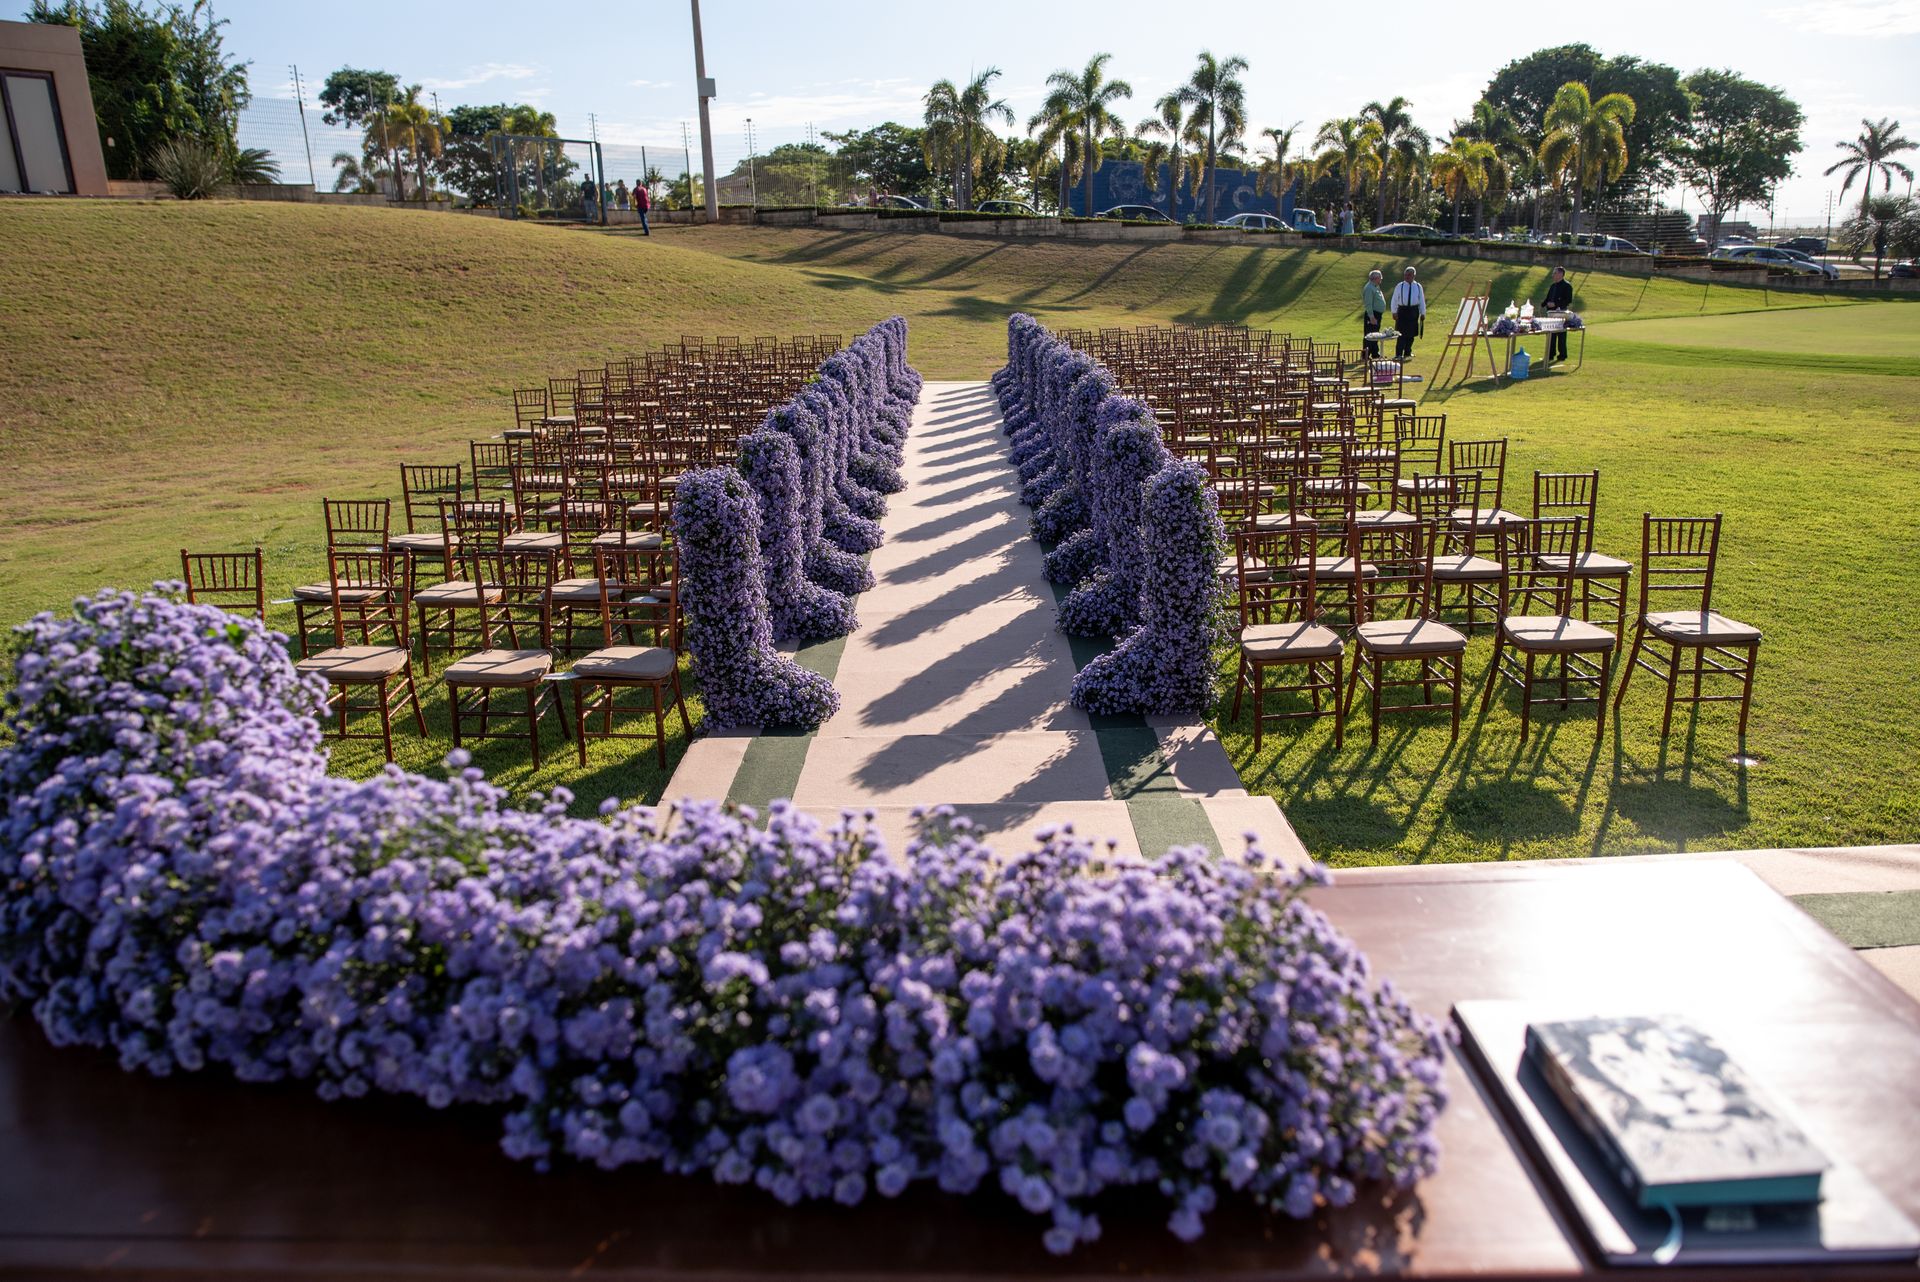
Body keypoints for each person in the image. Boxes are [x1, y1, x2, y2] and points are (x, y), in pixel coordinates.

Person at [1389, 266, 1426, 361]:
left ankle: (1408, 352)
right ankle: (1398, 354)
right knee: (1401, 334)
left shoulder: (1418, 286)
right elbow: (1394, 299)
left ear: (1414, 276)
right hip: (1402, 311)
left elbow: (1421, 300)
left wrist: (1423, 313)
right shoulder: (1400, 286)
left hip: (1413, 311)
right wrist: (1394, 311)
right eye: (1406, 274)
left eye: (1409, 275)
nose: (1407, 276)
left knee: (1411, 334)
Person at [1539, 266, 1573, 362]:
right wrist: (1543, 304)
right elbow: (1548, 298)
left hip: (1561, 313)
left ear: (1561, 274)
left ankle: (1562, 355)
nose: (1553, 275)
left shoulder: (1567, 286)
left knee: (1561, 335)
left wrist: (1556, 303)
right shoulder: (1553, 286)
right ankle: (1550, 355)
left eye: (1555, 273)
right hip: (1551, 314)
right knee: (1550, 334)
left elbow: (1568, 300)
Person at [1362, 269, 1387, 360]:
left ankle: (1375, 353)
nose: (1381, 280)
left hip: (1377, 314)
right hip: (1372, 315)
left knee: (1375, 335)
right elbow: (1368, 304)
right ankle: (1365, 355)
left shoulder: (1375, 286)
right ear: (1375, 278)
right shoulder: (1369, 288)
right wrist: (1371, 317)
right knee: (1369, 336)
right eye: (1380, 278)